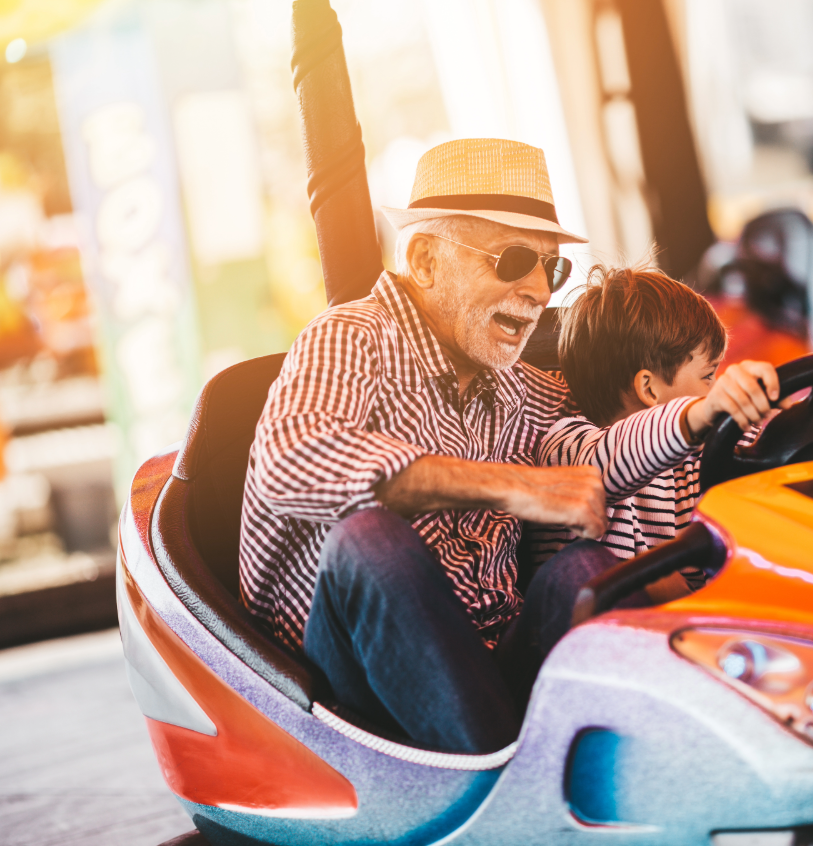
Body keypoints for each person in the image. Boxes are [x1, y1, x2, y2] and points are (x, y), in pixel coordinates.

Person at [239, 138, 777, 756]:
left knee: (583, 573)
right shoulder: (352, 337)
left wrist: (737, 420)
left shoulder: (517, 387)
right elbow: (291, 459)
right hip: (340, 690)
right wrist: (514, 486)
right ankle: (513, 802)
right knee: (371, 539)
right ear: (426, 259)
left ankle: (667, 767)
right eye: (514, 258)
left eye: (551, 268)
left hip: (490, 663)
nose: (539, 290)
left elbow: (608, 441)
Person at [531, 266, 779, 609]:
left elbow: (770, 442)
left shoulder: (709, 444)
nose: (714, 388)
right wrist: (703, 412)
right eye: (709, 376)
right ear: (648, 388)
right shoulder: (566, 449)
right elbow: (612, 460)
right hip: (608, 634)